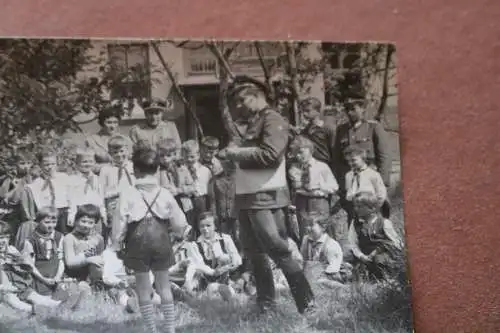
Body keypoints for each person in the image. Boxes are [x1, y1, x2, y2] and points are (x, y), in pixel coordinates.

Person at [219, 75, 314, 315]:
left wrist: (234, 155)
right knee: (253, 252)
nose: (237, 107)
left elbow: (270, 155)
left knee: (277, 249)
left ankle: (308, 304)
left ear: (254, 96)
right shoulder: (254, 122)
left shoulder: (273, 119)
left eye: (240, 101)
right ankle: (266, 304)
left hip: (265, 197)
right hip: (248, 197)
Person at [109, 146, 190, 333]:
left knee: (143, 287)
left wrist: (116, 243)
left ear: (135, 170)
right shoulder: (165, 193)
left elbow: (119, 222)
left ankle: (151, 329)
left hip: (137, 243)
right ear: (158, 170)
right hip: (161, 241)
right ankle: (170, 328)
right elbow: (179, 222)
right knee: (164, 285)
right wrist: (179, 234)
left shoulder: (128, 193)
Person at [0, 220, 82, 313]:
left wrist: (18, 258)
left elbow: (25, 269)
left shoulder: (10, 250)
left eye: (6, 237)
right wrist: (4, 287)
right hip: (4, 290)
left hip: (18, 286)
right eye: (0, 237)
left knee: (34, 296)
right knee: (11, 299)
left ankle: (55, 306)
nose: (3, 241)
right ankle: (33, 310)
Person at [333, 93, 392, 215]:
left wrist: (383, 182)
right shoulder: (341, 130)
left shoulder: (373, 127)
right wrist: (340, 182)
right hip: (350, 181)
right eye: (347, 109)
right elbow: (337, 159)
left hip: (369, 180)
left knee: (373, 216)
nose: (350, 113)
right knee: (353, 216)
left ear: (363, 108)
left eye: (353, 109)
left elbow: (384, 156)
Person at [288, 136, 339, 243]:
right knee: (305, 232)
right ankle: (308, 256)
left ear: (310, 150)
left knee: (323, 231)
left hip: (319, 202)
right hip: (302, 203)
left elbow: (334, 187)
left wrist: (318, 186)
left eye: (301, 152)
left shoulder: (321, 167)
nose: (298, 156)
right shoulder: (294, 169)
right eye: (296, 153)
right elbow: (296, 187)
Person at [348, 192, 403, 281]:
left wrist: (377, 251)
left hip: (382, 256)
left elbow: (396, 242)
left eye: (359, 207)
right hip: (364, 258)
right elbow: (353, 244)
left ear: (372, 208)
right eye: (355, 206)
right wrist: (361, 256)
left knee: (379, 261)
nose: (356, 209)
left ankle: (386, 278)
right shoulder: (355, 224)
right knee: (352, 269)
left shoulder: (384, 222)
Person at [192, 212, 242, 301]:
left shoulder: (225, 238)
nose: (205, 229)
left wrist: (232, 263)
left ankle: (226, 286)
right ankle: (212, 289)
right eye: (202, 226)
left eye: (208, 225)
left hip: (225, 273)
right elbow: (199, 265)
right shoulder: (196, 244)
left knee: (224, 258)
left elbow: (236, 257)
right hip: (206, 276)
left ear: (215, 226)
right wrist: (213, 272)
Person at [20, 148, 72, 234]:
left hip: (63, 212)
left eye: (53, 164)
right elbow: (37, 201)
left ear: (57, 163)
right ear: (40, 165)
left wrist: (71, 213)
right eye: (46, 164)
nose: (50, 167)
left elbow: (70, 197)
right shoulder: (36, 182)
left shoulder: (64, 177)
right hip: (47, 214)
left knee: (63, 235)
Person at [19, 207, 64, 296]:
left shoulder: (59, 237)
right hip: (39, 278)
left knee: (64, 294)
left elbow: (61, 260)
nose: (51, 225)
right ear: (38, 222)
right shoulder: (31, 241)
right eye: (47, 222)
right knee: (43, 296)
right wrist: (43, 279)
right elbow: (30, 266)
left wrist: (58, 277)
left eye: (54, 222)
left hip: (56, 276)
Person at [99, 135, 135, 244]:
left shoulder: (133, 166)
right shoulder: (105, 170)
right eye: (115, 153)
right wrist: (103, 211)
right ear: (110, 154)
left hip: (132, 203)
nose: (119, 155)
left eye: (122, 151)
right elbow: (100, 191)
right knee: (116, 234)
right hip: (113, 204)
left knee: (132, 232)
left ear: (127, 150)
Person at [300, 214, 351, 287]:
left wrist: (316, 274)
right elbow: (303, 260)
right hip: (311, 272)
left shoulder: (331, 244)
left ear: (323, 228)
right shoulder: (306, 240)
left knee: (320, 282)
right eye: (306, 225)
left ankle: (343, 287)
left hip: (330, 273)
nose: (308, 228)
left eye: (311, 225)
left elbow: (334, 269)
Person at [63, 204, 105, 287]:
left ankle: (96, 284)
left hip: (92, 273)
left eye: (90, 223)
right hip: (74, 274)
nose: (86, 225)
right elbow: (70, 263)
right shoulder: (69, 238)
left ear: (95, 224)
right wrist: (88, 260)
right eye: (83, 221)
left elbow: (101, 258)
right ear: (76, 220)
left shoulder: (98, 238)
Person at [68, 148, 107, 237]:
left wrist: (103, 214)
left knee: (96, 238)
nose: (88, 164)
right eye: (84, 162)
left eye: (90, 161)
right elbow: (71, 199)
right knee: (80, 239)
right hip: (80, 212)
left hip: (95, 212)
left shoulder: (97, 179)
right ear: (77, 164)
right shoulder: (72, 180)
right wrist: (71, 215)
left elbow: (101, 199)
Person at [0, 148, 36, 240]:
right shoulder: (10, 178)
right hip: (11, 215)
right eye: (22, 163)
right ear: (15, 164)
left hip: (27, 216)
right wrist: (16, 186)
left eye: (28, 163)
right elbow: (3, 195)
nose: (26, 166)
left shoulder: (32, 177)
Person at [177, 140, 212, 235]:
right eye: (186, 157)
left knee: (201, 223)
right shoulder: (179, 170)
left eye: (192, 156)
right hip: (186, 199)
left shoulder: (205, 170)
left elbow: (208, 188)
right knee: (188, 224)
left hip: (201, 200)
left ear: (198, 155)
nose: (189, 159)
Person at [344, 146, 387, 219]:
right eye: (348, 161)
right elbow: (348, 191)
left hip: (370, 210)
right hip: (355, 210)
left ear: (363, 159)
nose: (350, 163)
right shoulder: (349, 175)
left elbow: (381, 194)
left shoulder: (373, 174)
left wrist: (375, 209)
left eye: (353, 160)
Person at [85, 104, 133, 169]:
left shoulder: (125, 139)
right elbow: (89, 165)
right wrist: (109, 168)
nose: (112, 126)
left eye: (115, 122)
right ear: (101, 122)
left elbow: (132, 161)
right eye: (109, 122)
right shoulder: (91, 140)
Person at [297, 97, 337, 167]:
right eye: (303, 111)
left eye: (308, 111)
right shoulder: (305, 131)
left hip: (325, 164)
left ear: (317, 111)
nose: (304, 114)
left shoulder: (328, 128)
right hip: (310, 164)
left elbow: (334, 150)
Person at [208, 159, 238, 247]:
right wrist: (214, 216)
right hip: (222, 217)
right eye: (226, 163)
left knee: (240, 240)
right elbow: (212, 201)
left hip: (238, 216)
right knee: (225, 241)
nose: (229, 166)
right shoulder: (214, 180)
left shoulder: (240, 178)